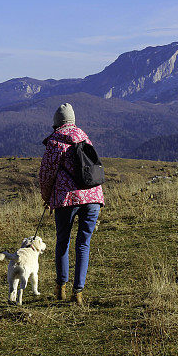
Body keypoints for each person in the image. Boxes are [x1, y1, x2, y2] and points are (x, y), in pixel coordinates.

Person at [38, 103, 104, 305]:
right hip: (93, 196)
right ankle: (79, 292)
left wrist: (47, 197)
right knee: (83, 243)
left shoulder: (55, 142)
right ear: (73, 120)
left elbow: (47, 175)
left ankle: (61, 287)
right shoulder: (85, 137)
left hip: (67, 198)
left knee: (63, 242)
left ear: (56, 123)